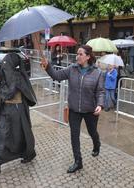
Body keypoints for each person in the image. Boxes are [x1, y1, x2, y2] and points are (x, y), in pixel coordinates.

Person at [40, 45, 105, 173]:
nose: (77, 56)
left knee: (92, 132)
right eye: (77, 54)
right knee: (74, 136)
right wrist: (48, 66)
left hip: (90, 110)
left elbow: (100, 91)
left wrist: (100, 105)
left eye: (80, 54)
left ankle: (96, 144)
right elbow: (57, 76)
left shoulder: (97, 73)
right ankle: (78, 161)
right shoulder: (72, 69)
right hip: (74, 109)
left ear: (88, 56)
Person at [0, 53, 37, 177]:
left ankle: (29, 153)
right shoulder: (8, 74)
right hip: (6, 110)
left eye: (6, 64)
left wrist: (3, 92)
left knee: (22, 133)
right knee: (1, 136)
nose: (4, 66)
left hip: (18, 110)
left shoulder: (17, 76)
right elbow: (5, 90)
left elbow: (9, 92)